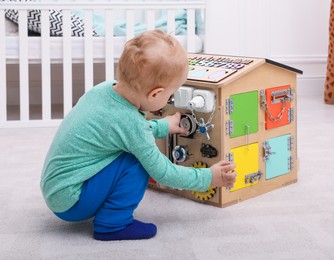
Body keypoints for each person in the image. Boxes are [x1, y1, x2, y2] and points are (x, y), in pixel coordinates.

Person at [40, 29, 237, 241]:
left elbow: (122, 133)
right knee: (136, 162)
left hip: (56, 188)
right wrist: (209, 177)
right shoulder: (131, 124)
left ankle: (110, 217)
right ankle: (113, 224)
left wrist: (163, 125)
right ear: (155, 94)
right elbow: (164, 172)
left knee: (130, 150)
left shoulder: (103, 90)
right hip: (72, 202)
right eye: (171, 94)